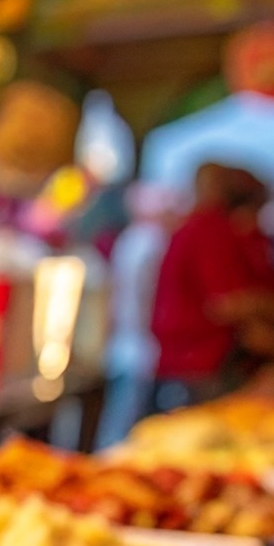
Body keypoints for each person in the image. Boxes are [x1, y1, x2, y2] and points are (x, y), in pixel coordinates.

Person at [151, 163, 274, 410]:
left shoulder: (197, 227)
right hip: (204, 363)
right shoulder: (211, 228)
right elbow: (226, 303)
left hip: (190, 363)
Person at [97, 180, 181, 445]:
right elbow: (148, 296)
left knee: (119, 417)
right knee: (127, 423)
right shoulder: (151, 242)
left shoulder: (130, 238)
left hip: (126, 341)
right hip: (140, 344)